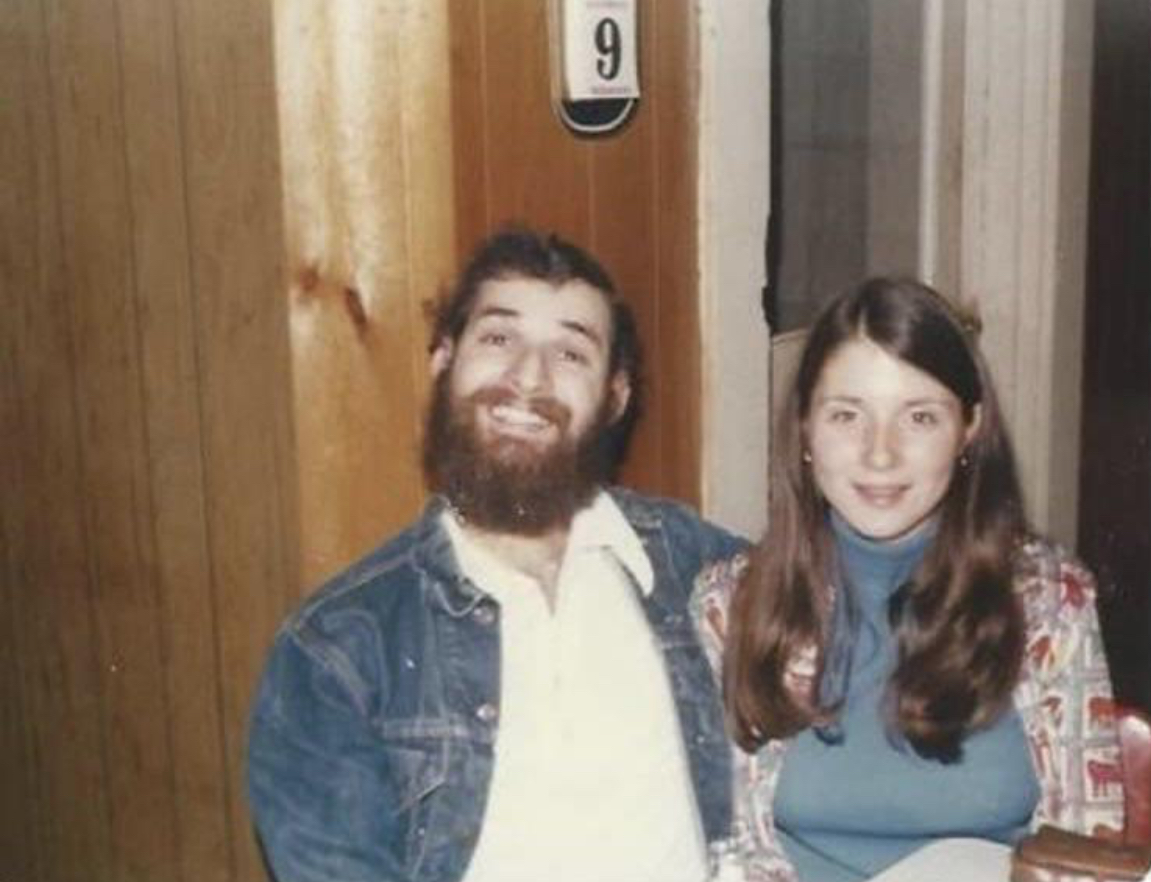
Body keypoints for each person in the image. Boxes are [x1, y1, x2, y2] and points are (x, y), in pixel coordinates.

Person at [247, 226, 747, 882]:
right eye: (498, 338)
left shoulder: (692, 565)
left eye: (571, 352)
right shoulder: (336, 650)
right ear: (443, 360)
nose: (528, 377)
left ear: (615, 397)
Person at [692, 278, 1125, 882]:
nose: (880, 454)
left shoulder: (1050, 602)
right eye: (847, 415)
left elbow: (1085, 848)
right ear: (805, 428)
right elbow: (721, 851)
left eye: (919, 417)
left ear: (969, 428)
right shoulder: (729, 607)